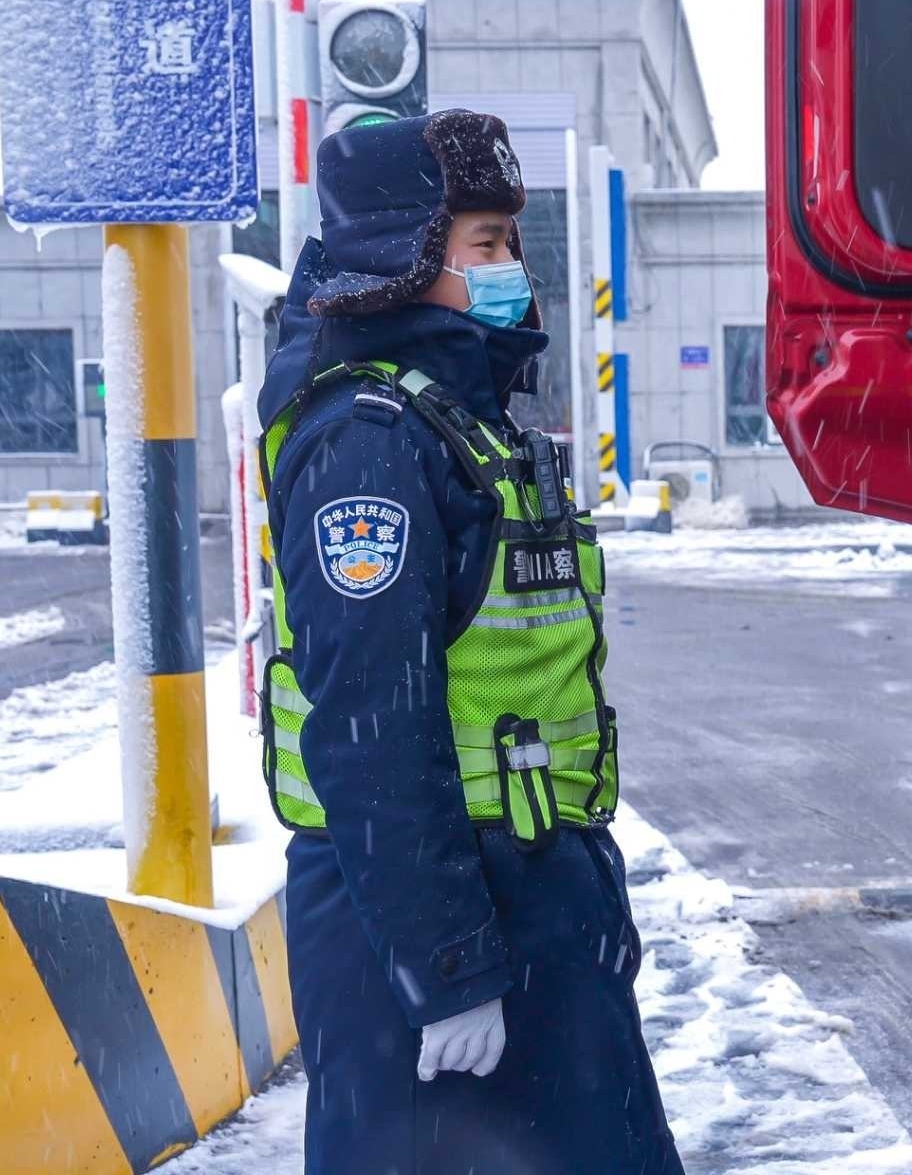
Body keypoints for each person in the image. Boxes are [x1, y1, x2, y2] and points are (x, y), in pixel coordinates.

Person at [256, 109, 683, 1174]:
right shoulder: (367, 442)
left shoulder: (460, 421)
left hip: (524, 907)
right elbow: (370, 727)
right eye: (482, 244)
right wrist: (446, 963)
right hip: (428, 931)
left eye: (510, 243)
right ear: (403, 263)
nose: (511, 271)